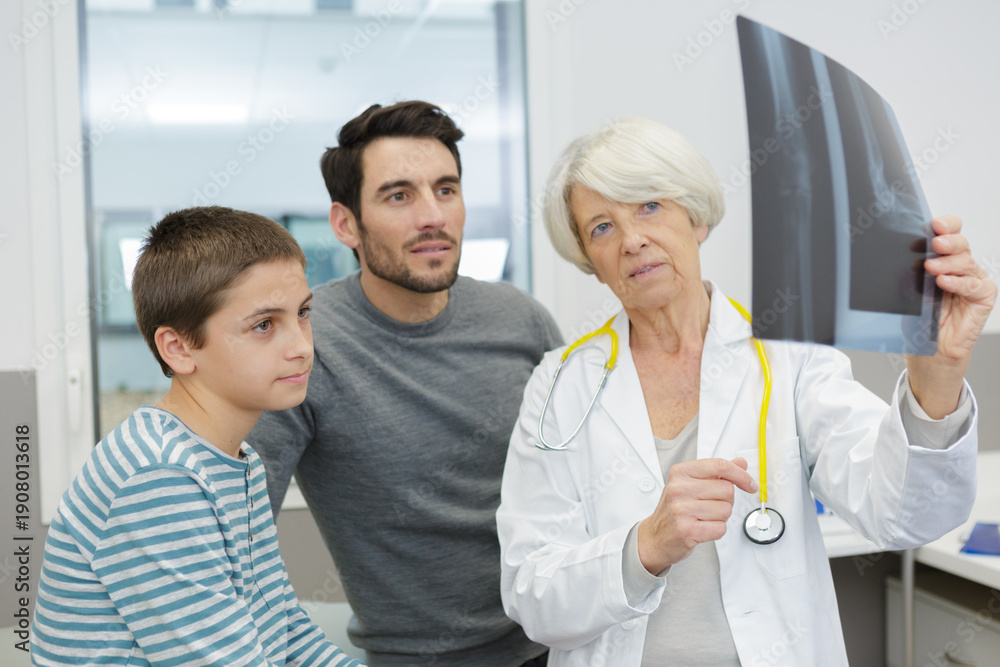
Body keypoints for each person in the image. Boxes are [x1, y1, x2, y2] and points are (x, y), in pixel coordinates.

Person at [496, 117, 997, 666]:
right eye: (601, 228)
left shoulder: (791, 352)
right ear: (589, 263)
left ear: (696, 217)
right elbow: (531, 594)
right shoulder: (559, 383)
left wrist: (939, 371)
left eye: (648, 206)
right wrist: (647, 545)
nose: (632, 239)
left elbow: (905, 515)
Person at [249, 101, 561, 666]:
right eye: (399, 196)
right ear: (346, 223)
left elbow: (579, 488)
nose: (432, 217)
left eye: (446, 190)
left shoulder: (522, 321)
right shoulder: (306, 347)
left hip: (561, 643)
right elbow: (238, 544)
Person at [30, 207, 363, 667]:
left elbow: (288, 631)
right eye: (264, 325)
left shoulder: (238, 460)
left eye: (302, 313)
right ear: (179, 348)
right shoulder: (157, 476)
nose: (303, 346)